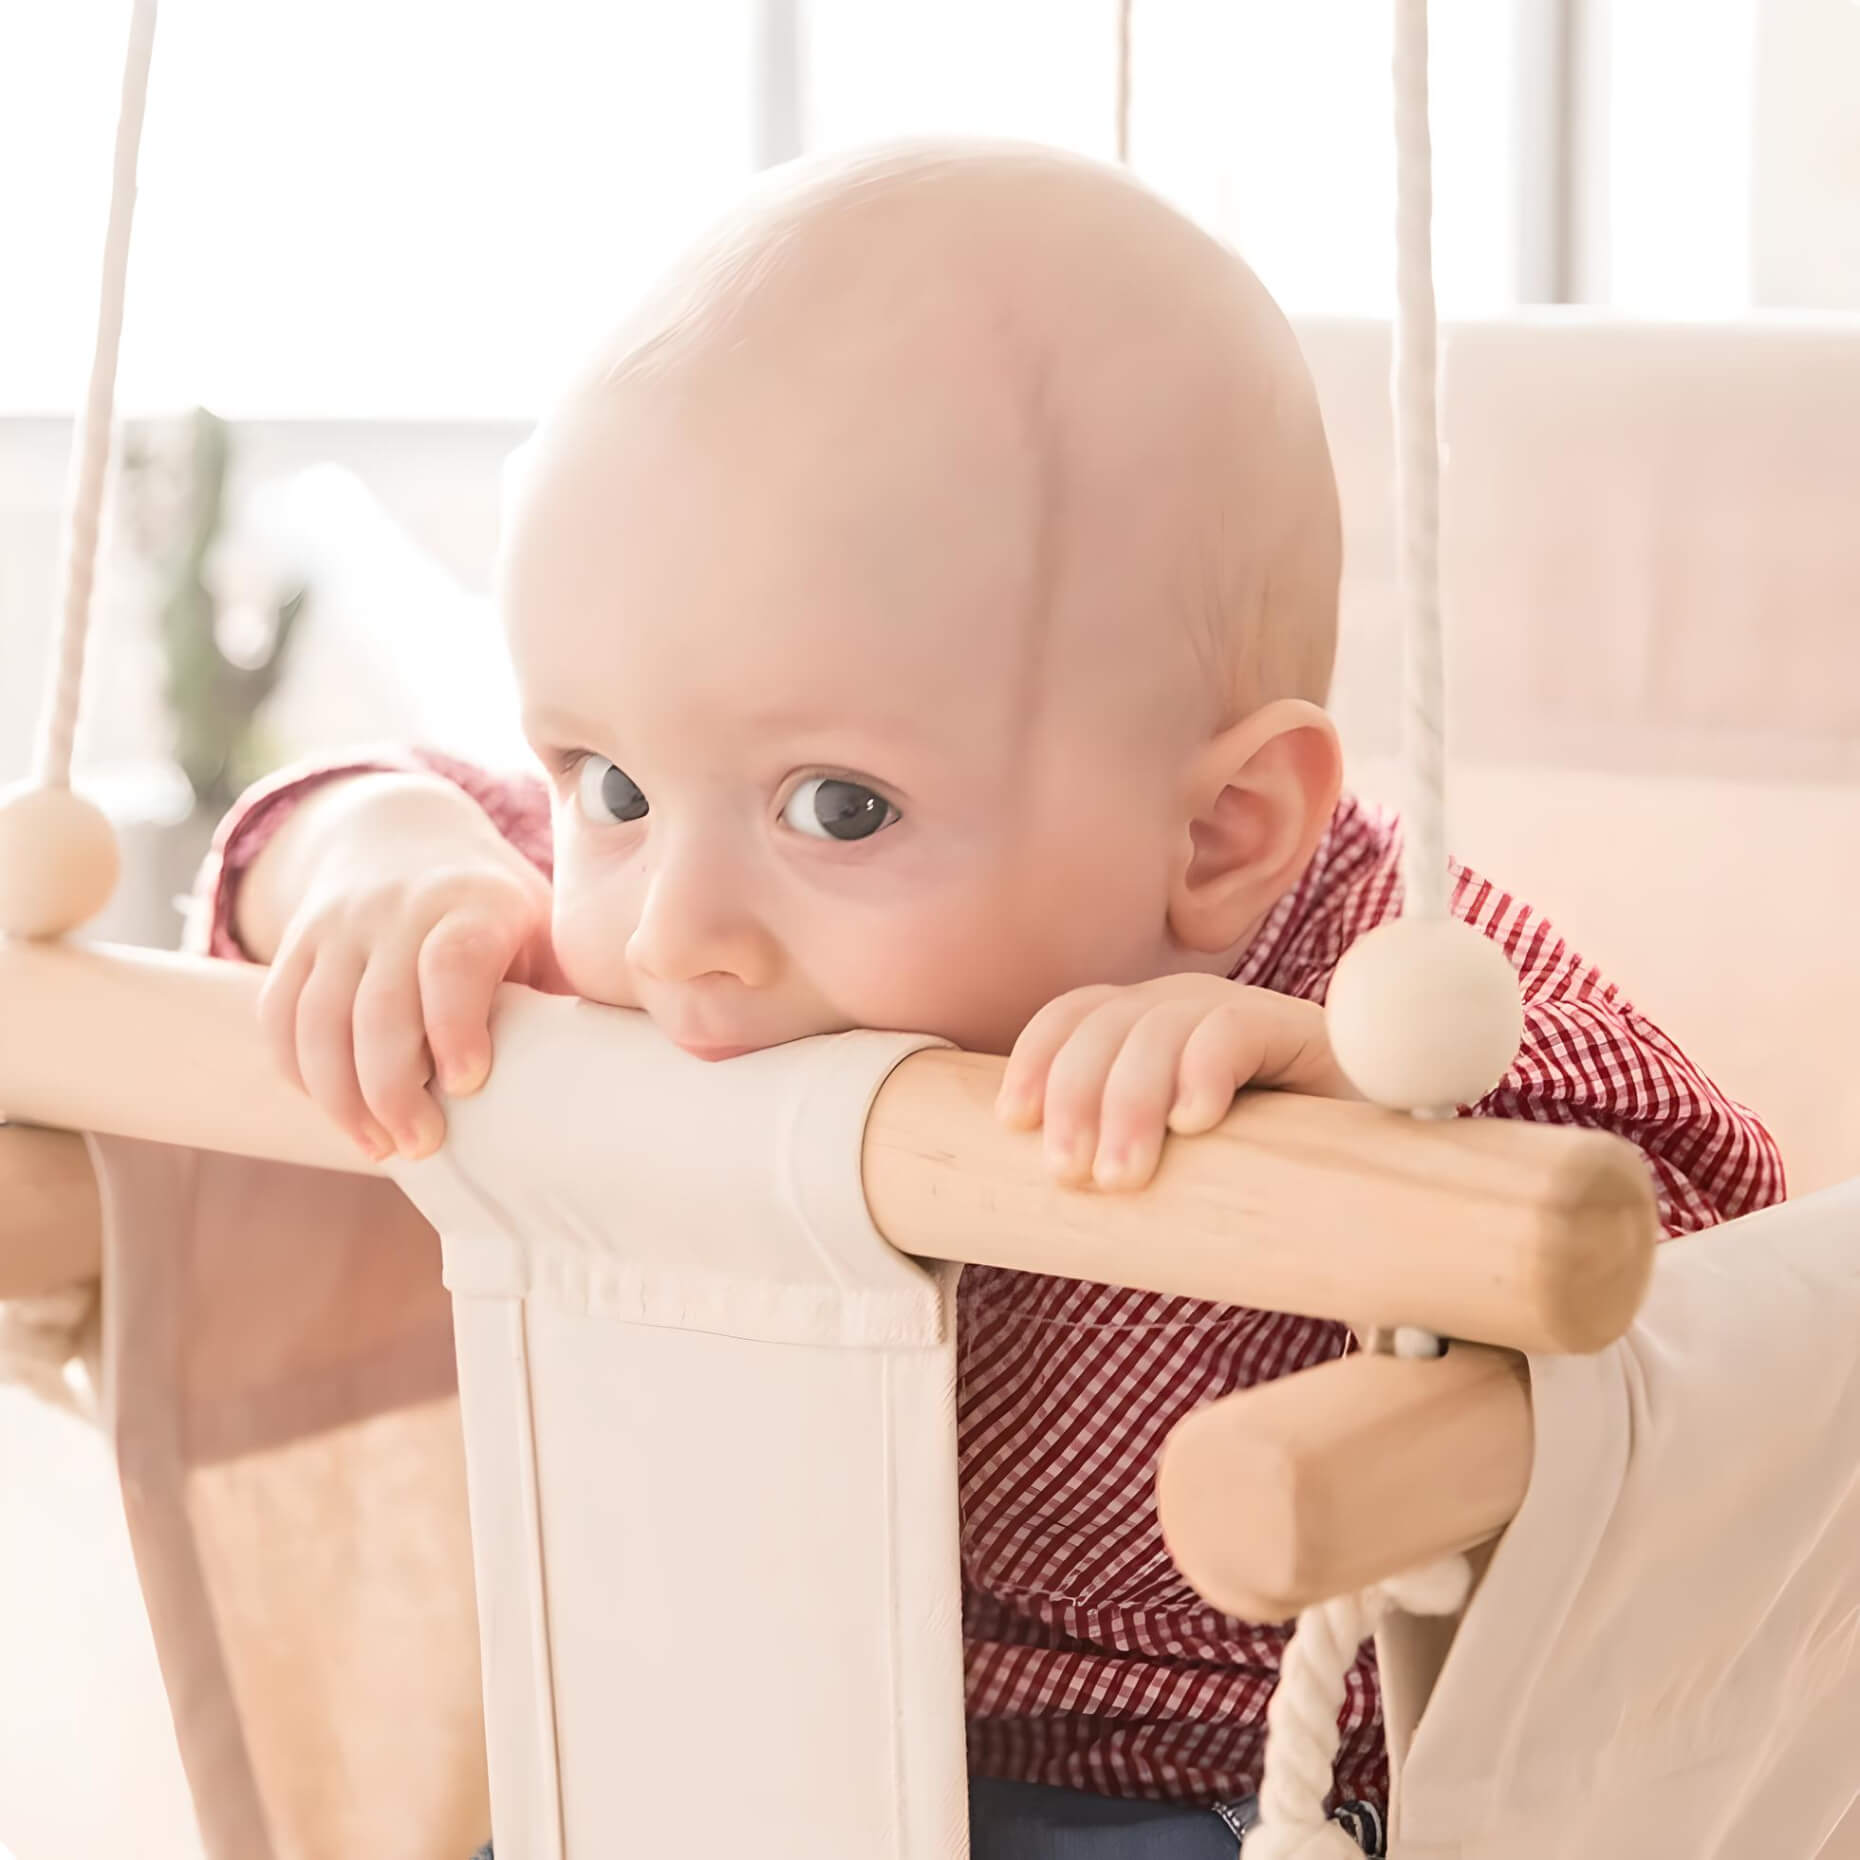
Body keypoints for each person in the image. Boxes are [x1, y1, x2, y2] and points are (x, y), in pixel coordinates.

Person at [200, 143, 1783, 1856]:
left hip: (1227, 1790)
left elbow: (1706, 1262)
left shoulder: (1386, 974)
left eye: (839, 809)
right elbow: (326, 817)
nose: (672, 937)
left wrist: (1351, 1097)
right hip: (746, 1742)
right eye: (610, 784)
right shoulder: (683, 908)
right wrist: (386, 866)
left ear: (1218, 832)